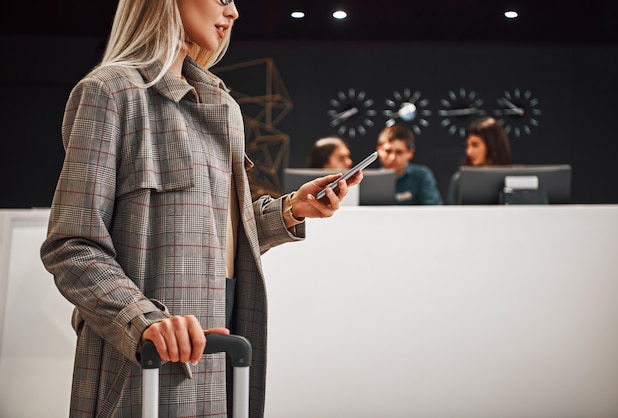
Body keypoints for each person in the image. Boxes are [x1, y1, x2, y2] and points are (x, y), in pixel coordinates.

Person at [39, 1, 360, 417]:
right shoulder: (111, 92)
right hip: (144, 360)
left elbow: (208, 237)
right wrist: (143, 321)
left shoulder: (222, 106)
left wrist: (289, 211)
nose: (234, 12)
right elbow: (72, 246)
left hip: (223, 347)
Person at [447, 116, 512, 204]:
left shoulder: (511, 180)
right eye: (467, 146)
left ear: (492, 146)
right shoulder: (459, 180)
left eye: (475, 145)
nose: (469, 152)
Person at [376, 124, 442, 205]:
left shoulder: (421, 175)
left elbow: (434, 211)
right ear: (379, 150)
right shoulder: (367, 180)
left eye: (399, 152)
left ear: (410, 153)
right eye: (388, 151)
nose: (392, 158)